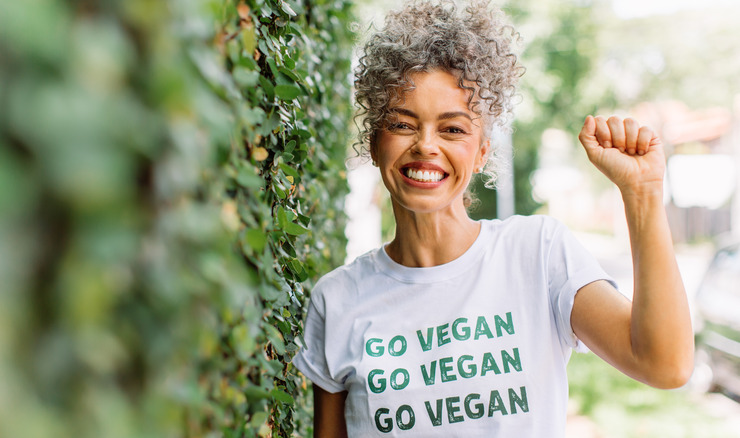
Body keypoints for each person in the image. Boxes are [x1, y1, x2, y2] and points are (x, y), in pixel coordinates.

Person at [292, 1, 694, 436]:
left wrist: (643, 194)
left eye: (453, 129)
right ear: (374, 144)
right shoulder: (337, 301)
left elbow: (665, 364)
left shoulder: (538, 254)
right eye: (403, 124)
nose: (426, 145)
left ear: (482, 151)